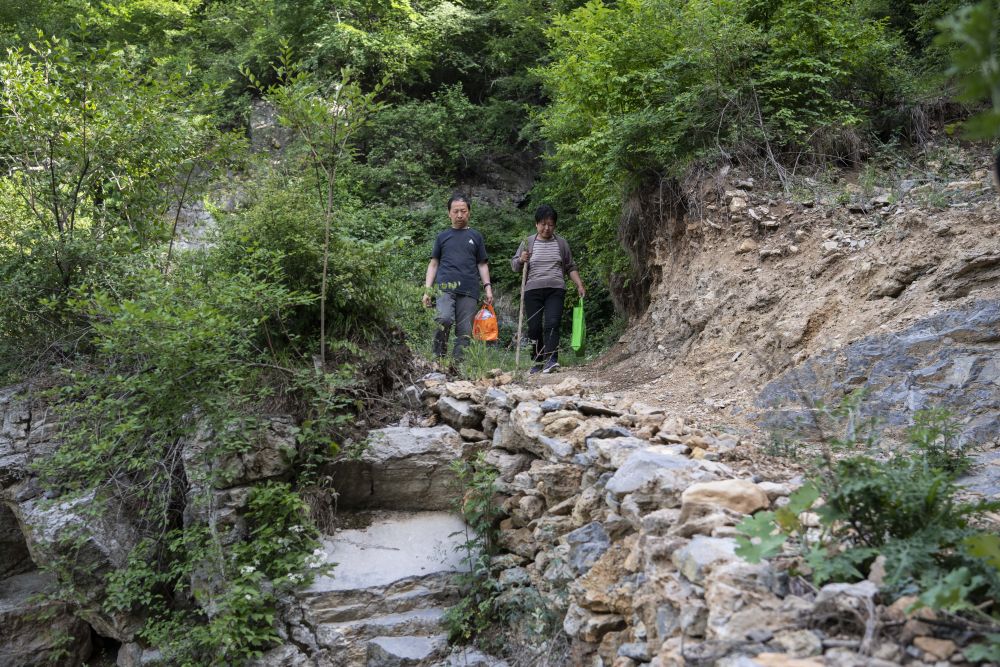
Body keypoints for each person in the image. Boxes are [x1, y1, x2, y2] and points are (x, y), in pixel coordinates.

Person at [511, 204, 585, 374]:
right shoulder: (528, 242)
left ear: (555, 225)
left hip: (555, 289)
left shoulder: (561, 243)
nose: (546, 228)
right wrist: (521, 259)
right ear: (536, 224)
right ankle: (537, 361)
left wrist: (579, 284)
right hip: (532, 290)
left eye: (550, 224)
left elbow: (570, 266)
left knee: (552, 323)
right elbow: (514, 266)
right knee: (534, 327)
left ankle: (551, 359)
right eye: (543, 224)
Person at [423, 193, 493, 362]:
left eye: (463, 211)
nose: (459, 215)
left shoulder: (476, 236)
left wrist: (488, 287)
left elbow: (482, 264)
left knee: (465, 331)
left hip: (469, 289)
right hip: (444, 287)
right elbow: (433, 264)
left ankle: (457, 367)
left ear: (469, 212)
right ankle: (438, 360)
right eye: (455, 211)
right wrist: (427, 290)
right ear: (449, 213)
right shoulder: (442, 236)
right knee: (443, 319)